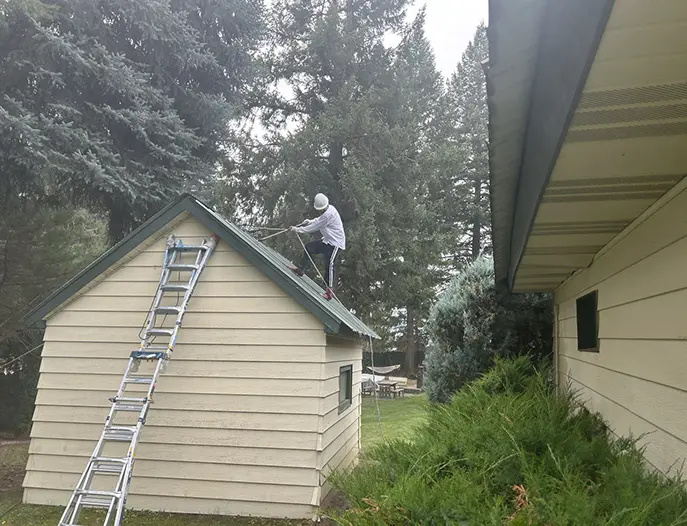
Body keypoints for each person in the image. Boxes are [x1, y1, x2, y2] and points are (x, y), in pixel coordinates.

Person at [288, 193, 345, 300]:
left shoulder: (328, 214)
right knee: (309, 247)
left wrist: (298, 230)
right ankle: (300, 270)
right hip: (327, 241)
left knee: (329, 264)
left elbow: (314, 227)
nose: (321, 211)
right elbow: (319, 220)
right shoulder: (328, 210)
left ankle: (329, 292)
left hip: (336, 244)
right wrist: (309, 221)